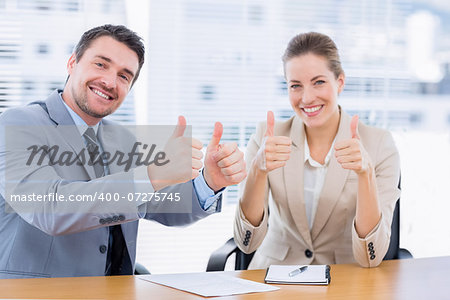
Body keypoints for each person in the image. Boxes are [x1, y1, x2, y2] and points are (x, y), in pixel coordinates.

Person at [0, 24, 246, 278]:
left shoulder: (122, 139)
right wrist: (152, 175)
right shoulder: (20, 123)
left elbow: (162, 203)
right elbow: (48, 208)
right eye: (101, 64)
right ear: (72, 63)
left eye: (124, 76)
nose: (109, 82)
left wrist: (209, 181)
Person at [234, 32, 400, 268]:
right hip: (274, 278)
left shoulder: (378, 144)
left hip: (344, 279)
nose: (307, 98)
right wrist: (257, 172)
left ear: (340, 82)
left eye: (319, 82)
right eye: (295, 86)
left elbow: (371, 257)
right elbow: (246, 243)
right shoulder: (267, 138)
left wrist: (366, 175)